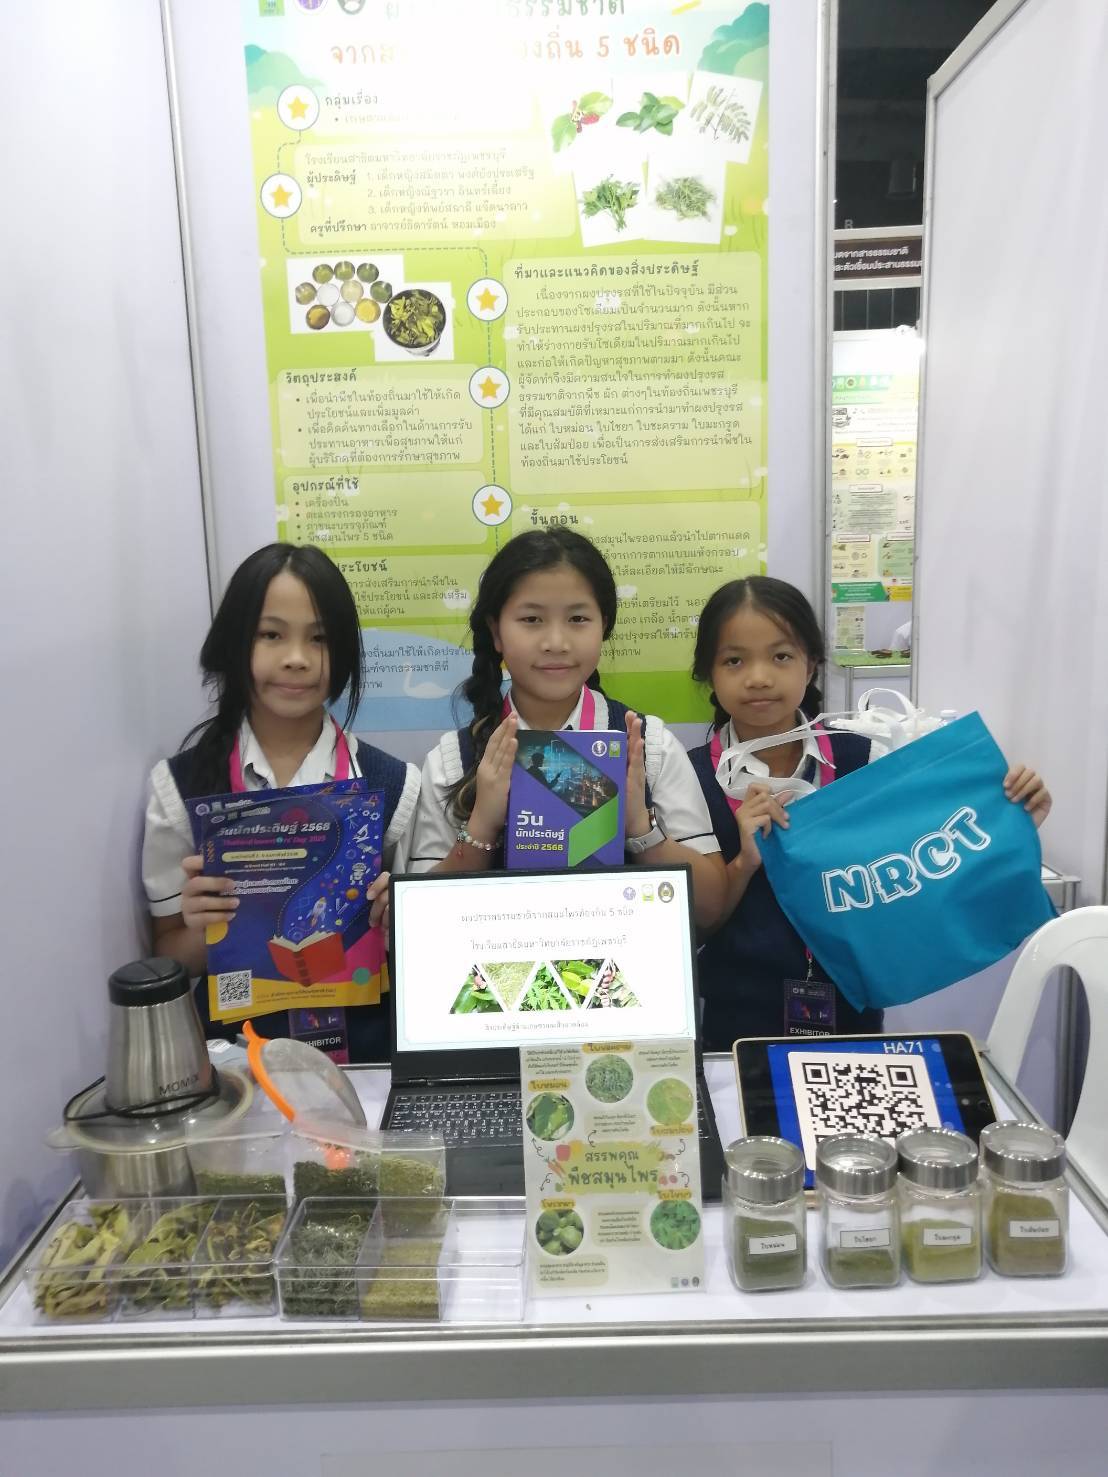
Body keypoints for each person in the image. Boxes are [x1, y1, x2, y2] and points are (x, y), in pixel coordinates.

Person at [687, 576, 1051, 1050]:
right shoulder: (690, 780)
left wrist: (1009, 820)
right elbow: (694, 926)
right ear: (709, 673)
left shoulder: (866, 760)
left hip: (852, 1015)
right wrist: (743, 863)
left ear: (811, 665)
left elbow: (925, 865)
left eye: (781, 656)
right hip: (736, 1021)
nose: (759, 677)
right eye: (734, 660)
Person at [142, 543, 420, 1061]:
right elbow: (167, 955)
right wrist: (202, 926)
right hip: (234, 1066)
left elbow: (414, 956)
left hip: (366, 1061)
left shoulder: (396, 786)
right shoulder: (179, 789)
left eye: (319, 638)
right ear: (235, 642)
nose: (296, 657)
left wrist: (396, 918)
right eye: (271, 634)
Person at [409, 528, 727, 926]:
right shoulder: (452, 759)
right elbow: (416, 921)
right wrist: (482, 826)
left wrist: (640, 829)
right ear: (496, 632)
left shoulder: (648, 746)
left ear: (603, 625)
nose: (556, 642)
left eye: (578, 619)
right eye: (531, 619)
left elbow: (711, 908)